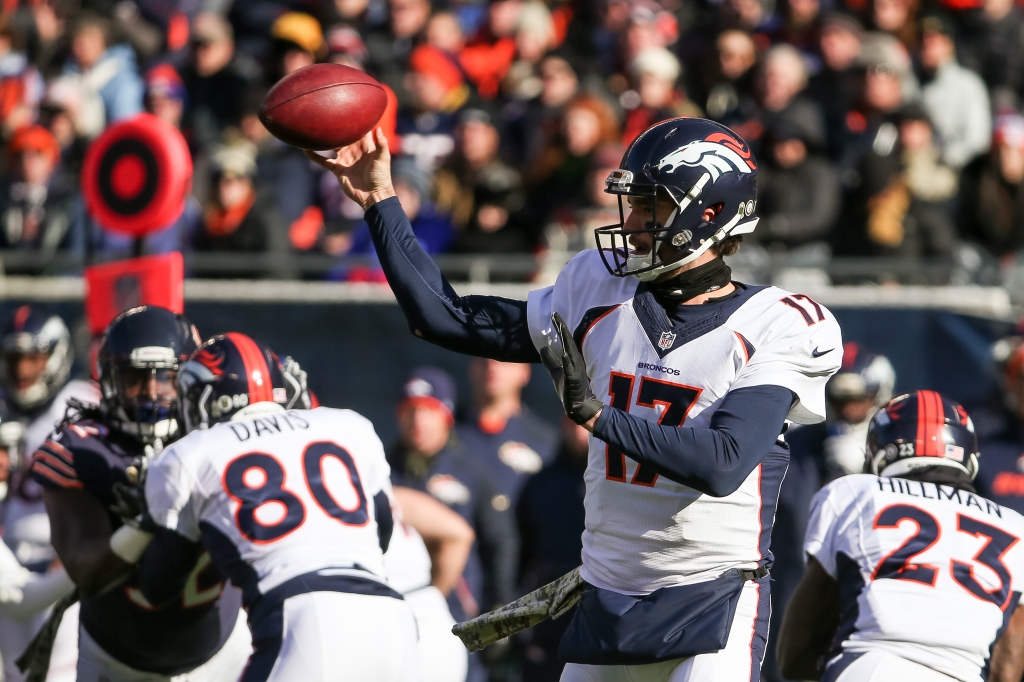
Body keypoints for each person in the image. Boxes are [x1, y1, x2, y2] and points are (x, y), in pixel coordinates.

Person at [311, 116, 843, 680]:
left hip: (712, 599)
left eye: (651, 206)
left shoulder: (779, 323)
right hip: (608, 593)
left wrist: (596, 415)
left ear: (709, 215)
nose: (632, 223)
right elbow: (444, 318)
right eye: (632, 204)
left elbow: (722, 462)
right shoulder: (598, 287)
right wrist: (381, 202)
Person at [140, 332, 417, 682]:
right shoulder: (347, 424)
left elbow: (159, 585)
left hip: (303, 616)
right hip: (392, 617)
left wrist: (141, 521)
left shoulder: (189, 454)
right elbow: (383, 531)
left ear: (202, 397)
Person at [29, 306, 251, 681]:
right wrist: (147, 520)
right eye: (135, 377)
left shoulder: (219, 437)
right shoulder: (80, 450)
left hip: (221, 652)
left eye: (166, 378)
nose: (151, 392)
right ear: (111, 380)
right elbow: (88, 572)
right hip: (117, 660)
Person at [777, 391, 1024, 682]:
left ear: (881, 449)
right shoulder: (1015, 525)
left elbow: (799, 647)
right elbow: (1009, 662)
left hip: (871, 667)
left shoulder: (854, 493)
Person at [388, 367, 517, 682]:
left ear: (445, 415)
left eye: (427, 411)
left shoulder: (471, 472)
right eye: (410, 411)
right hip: (395, 619)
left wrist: (498, 608)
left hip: (458, 619)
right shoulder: (382, 470)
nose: (418, 420)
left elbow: (500, 542)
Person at [516, 417, 590, 682]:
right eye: (573, 423)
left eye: (586, 424)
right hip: (548, 621)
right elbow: (521, 550)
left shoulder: (619, 483)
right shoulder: (541, 483)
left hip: (601, 614)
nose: (580, 434)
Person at [387, 485, 473, 682]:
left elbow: (459, 535)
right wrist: (434, 596)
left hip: (398, 626)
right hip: (434, 624)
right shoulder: (384, 492)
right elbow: (458, 534)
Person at [456, 358, 558, 505]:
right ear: (471, 367)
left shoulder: (547, 443)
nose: (492, 366)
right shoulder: (446, 435)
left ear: (525, 371)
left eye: (503, 359)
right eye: (484, 359)